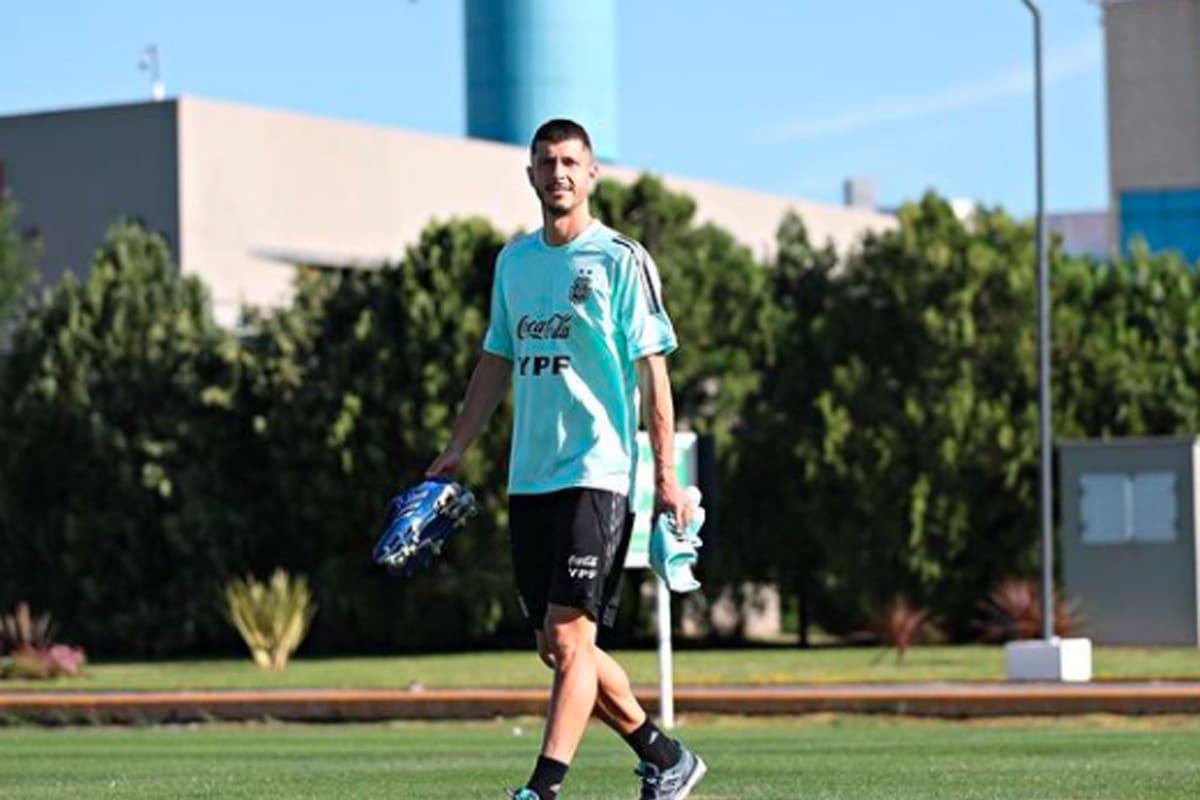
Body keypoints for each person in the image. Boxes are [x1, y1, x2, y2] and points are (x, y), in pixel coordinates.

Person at [426, 118, 707, 800]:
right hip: (530, 478)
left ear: (591, 175)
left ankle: (542, 788)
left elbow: (654, 376)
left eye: (571, 162)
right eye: (546, 161)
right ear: (530, 174)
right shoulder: (514, 264)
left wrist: (666, 475)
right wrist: (455, 450)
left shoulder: (619, 259)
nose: (558, 172)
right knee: (557, 649)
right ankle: (664, 756)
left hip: (600, 472)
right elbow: (496, 360)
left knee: (571, 639)